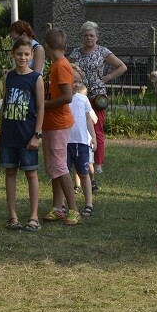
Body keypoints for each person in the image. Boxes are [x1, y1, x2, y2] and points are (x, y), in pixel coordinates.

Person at [69, 20, 127, 177]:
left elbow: (122, 66)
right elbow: (68, 69)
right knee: (77, 126)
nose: (88, 38)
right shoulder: (76, 53)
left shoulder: (103, 52)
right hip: (78, 94)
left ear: (97, 37)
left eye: (91, 35)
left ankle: (98, 162)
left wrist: (108, 77)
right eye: (86, 35)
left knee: (97, 128)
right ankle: (78, 159)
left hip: (97, 95)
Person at [0, 36, 45, 232]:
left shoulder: (36, 78)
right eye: (19, 54)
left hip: (28, 135)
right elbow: (4, 105)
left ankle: (34, 216)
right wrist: (0, 134)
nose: (23, 57)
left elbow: (41, 107)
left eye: (27, 54)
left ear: (32, 55)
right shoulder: (8, 76)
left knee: (31, 173)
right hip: (9, 134)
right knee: (10, 172)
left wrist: (37, 135)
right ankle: (13, 216)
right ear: (13, 54)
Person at [41, 28, 81, 226]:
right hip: (50, 123)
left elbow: (67, 96)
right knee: (54, 167)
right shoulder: (55, 65)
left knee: (59, 166)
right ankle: (58, 207)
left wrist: (43, 105)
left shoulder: (61, 66)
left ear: (47, 46)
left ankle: (73, 209)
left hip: (58, 123)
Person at [68, 66, 97, 216]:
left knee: (84, 173)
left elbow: (88, 119)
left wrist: (93, 137)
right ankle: (61, 204)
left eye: (79, 81)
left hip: (82, 142)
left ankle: (89, 204)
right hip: (65, 142)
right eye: (74, 81)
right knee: (64, 173)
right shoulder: (62, 98)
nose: (77, 84)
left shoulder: (83, 98)